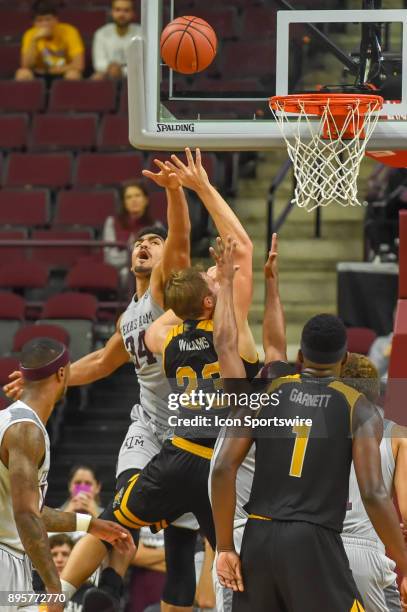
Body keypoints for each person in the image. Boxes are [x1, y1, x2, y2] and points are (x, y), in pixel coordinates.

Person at [210, 241, 407, 611]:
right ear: (344, 359)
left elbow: (222, 468)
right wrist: (405, 564)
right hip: (313, 543)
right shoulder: (360, 409)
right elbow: (374, 494)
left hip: (257, 538)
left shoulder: (266, 390)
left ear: (300, 358)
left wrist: (224, 547)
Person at [0, 338, 129, 612]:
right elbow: (26, 515)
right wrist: (54, 587)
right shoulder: (26, 431)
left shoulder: (8, 420)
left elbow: (25, 509)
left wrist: (90, 525)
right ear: (61, 373)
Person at [341, 353, 404, 612]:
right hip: (367, 550)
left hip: (319, 548)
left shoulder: (315, 431)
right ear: (376, 390)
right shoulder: (398, 434)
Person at [16, 0, 85, 82]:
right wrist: (34, 41)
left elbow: (79, 65)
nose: (45, 24)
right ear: (34, 23)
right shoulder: (30, 34)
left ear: (56, 20)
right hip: (39, 73)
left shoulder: (69, 31)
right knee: (22, 74)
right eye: (40, 21)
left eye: (48, 19)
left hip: (63, 71)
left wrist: (50, 71)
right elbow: (26, 65)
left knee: (73, 75)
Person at [103, 179, 157, 282]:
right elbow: (110, 258)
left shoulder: (155, 226)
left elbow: (158, 258)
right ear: (124, 202)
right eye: (129, 197)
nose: (134, 200)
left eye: (137, 195)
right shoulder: (112, 223)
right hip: (120, 272)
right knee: (125, 273)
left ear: (146, 200)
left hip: (149, 273)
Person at [92, 0, 140, 80]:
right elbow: (99, 63)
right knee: (97, 77)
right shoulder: (101, 33)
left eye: (126, 10)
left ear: (133, 13)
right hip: (107, 75)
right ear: (111, 12)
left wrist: (121, 71)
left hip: (133, 77)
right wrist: (111, 69)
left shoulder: (140, 33)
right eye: (117, 10)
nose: (121, 14)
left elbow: (141, 65)